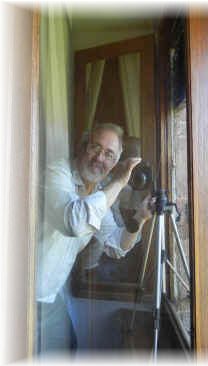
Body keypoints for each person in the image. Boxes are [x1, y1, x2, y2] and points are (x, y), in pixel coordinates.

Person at [36, 123, 151, 355]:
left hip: (48, 293)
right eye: (95, 148)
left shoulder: (98, 191)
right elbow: (74, 222)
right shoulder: (58, 173)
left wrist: (141, 217)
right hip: (20, 291)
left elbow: (116, 246)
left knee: (70, 348)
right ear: (82, 147)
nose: (99, 158)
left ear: (117, 161)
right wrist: (118, 182)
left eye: (109, 154)